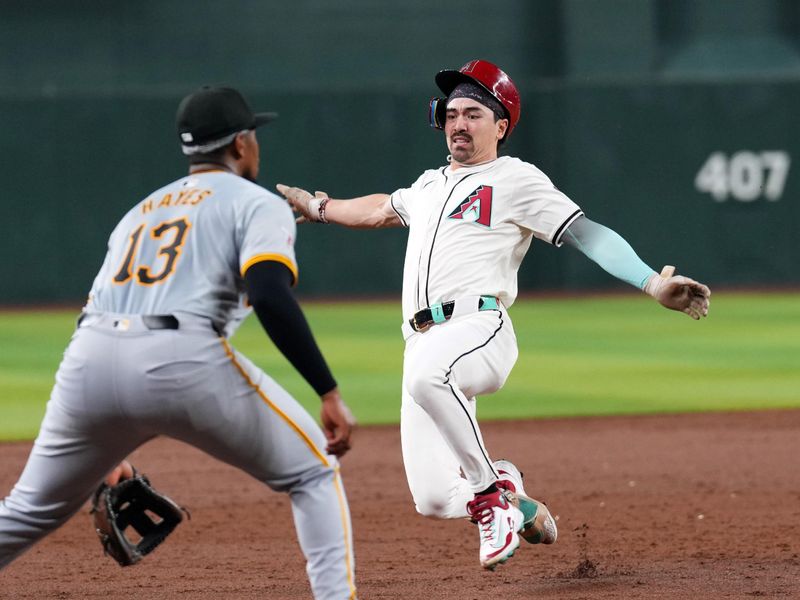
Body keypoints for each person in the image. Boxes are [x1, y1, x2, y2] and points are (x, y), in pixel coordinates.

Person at [277, 59, 711, 570]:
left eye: (474, 114)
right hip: (422, 340)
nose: (459, 123)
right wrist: (319, 208)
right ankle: (511, 496)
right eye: (452, 113)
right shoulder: (429, 185)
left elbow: (587, 233)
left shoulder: (514, 178)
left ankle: (489, 501)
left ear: (501, 126)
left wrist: (652, 281)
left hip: (479, 327)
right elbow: (376, 209)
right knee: (434, 497)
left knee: (428, 376)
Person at [0, 86, 357, 599]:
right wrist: (327, 390)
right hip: (181, 359)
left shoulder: (140, 211)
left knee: (27, 512)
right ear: (240, 144)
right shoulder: (257, 203)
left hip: (89, 360)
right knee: (314, 475)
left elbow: (98, 311)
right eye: (253, 135)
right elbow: (271, 297)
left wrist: (103, 444)